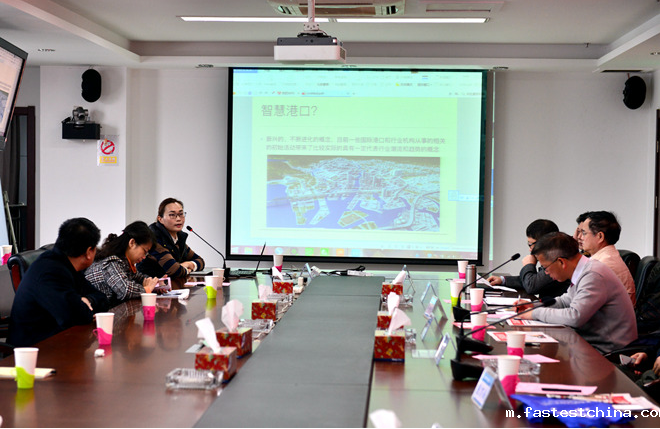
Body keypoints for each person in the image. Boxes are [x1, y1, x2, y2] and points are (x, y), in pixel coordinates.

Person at [515, 232, 637, 354]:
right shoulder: (585, 269)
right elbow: (565, 301)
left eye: (545, 268)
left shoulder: (593, 275)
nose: (546, 273)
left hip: (608, 352)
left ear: (561, 262)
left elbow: (575, 317)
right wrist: (533, 305)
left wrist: (535, 313)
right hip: (590, 343)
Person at [8, 218, 110, 347]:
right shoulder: (50, 271)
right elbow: (76, 317)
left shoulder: (67, 265)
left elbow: (102, 300)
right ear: (89, 252)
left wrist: (88, 300)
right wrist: (83, 306)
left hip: (59, 342)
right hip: (34, 350)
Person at [487, 219, 570, 298]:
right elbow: (529, 280)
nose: (530, 250)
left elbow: (531, 286)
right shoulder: (552, 256)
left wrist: (529, 265)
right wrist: (503, 280)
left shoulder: (557, 261)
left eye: (531, 245)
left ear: (544, 243)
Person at [85, 221, 160, 307]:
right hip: (99, 313)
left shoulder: (124, 262)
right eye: (145, 251)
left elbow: (141, 278)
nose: (144, 257)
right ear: (132, 243)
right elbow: (126, 290)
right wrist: (147, 289)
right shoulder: (111, 262)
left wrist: (157, 284)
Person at [137, 198, 205, 289]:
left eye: (181, 214)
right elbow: (175, 270)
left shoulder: (178, 238)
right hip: (149, 288)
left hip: (169, 286)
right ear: (160, 219)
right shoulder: (153, 238)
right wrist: (183, 268)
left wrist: (190, 264)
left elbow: (200, 261)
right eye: (172, 215)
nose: (178, 219)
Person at [575, 210, 636, 305]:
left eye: (584, 233)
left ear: (600, 236)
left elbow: (580, 304)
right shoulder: (606, 256)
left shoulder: (603, 264)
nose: (580, 237)